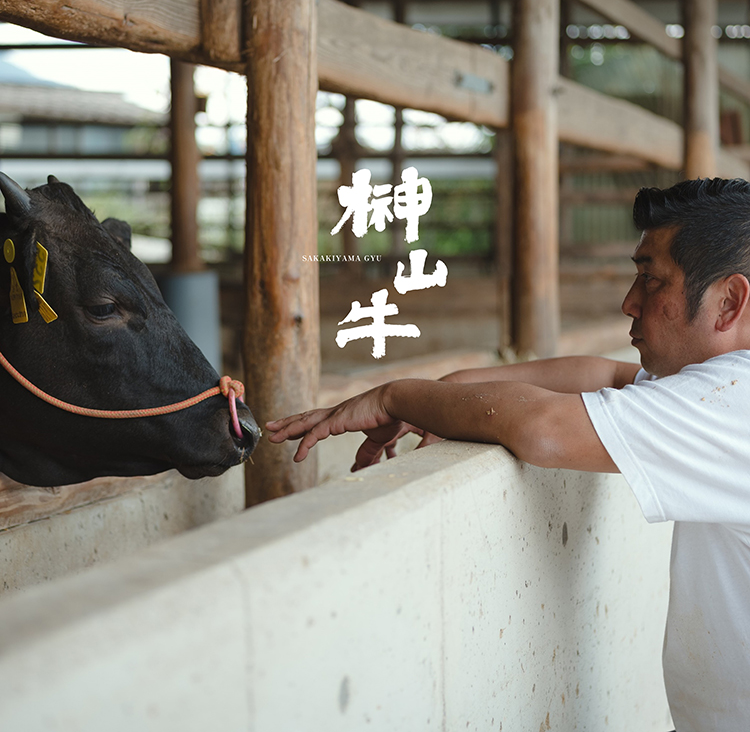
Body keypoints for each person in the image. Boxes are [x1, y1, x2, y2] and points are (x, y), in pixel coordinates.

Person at [267, 177, 750, 731]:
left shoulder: (734, 403)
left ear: (728, 301)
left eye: (650, 278)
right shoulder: (717, 391)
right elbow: (602, 375)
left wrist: (395, 395)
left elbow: (545, 429)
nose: (629, 302)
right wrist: (442, 395)